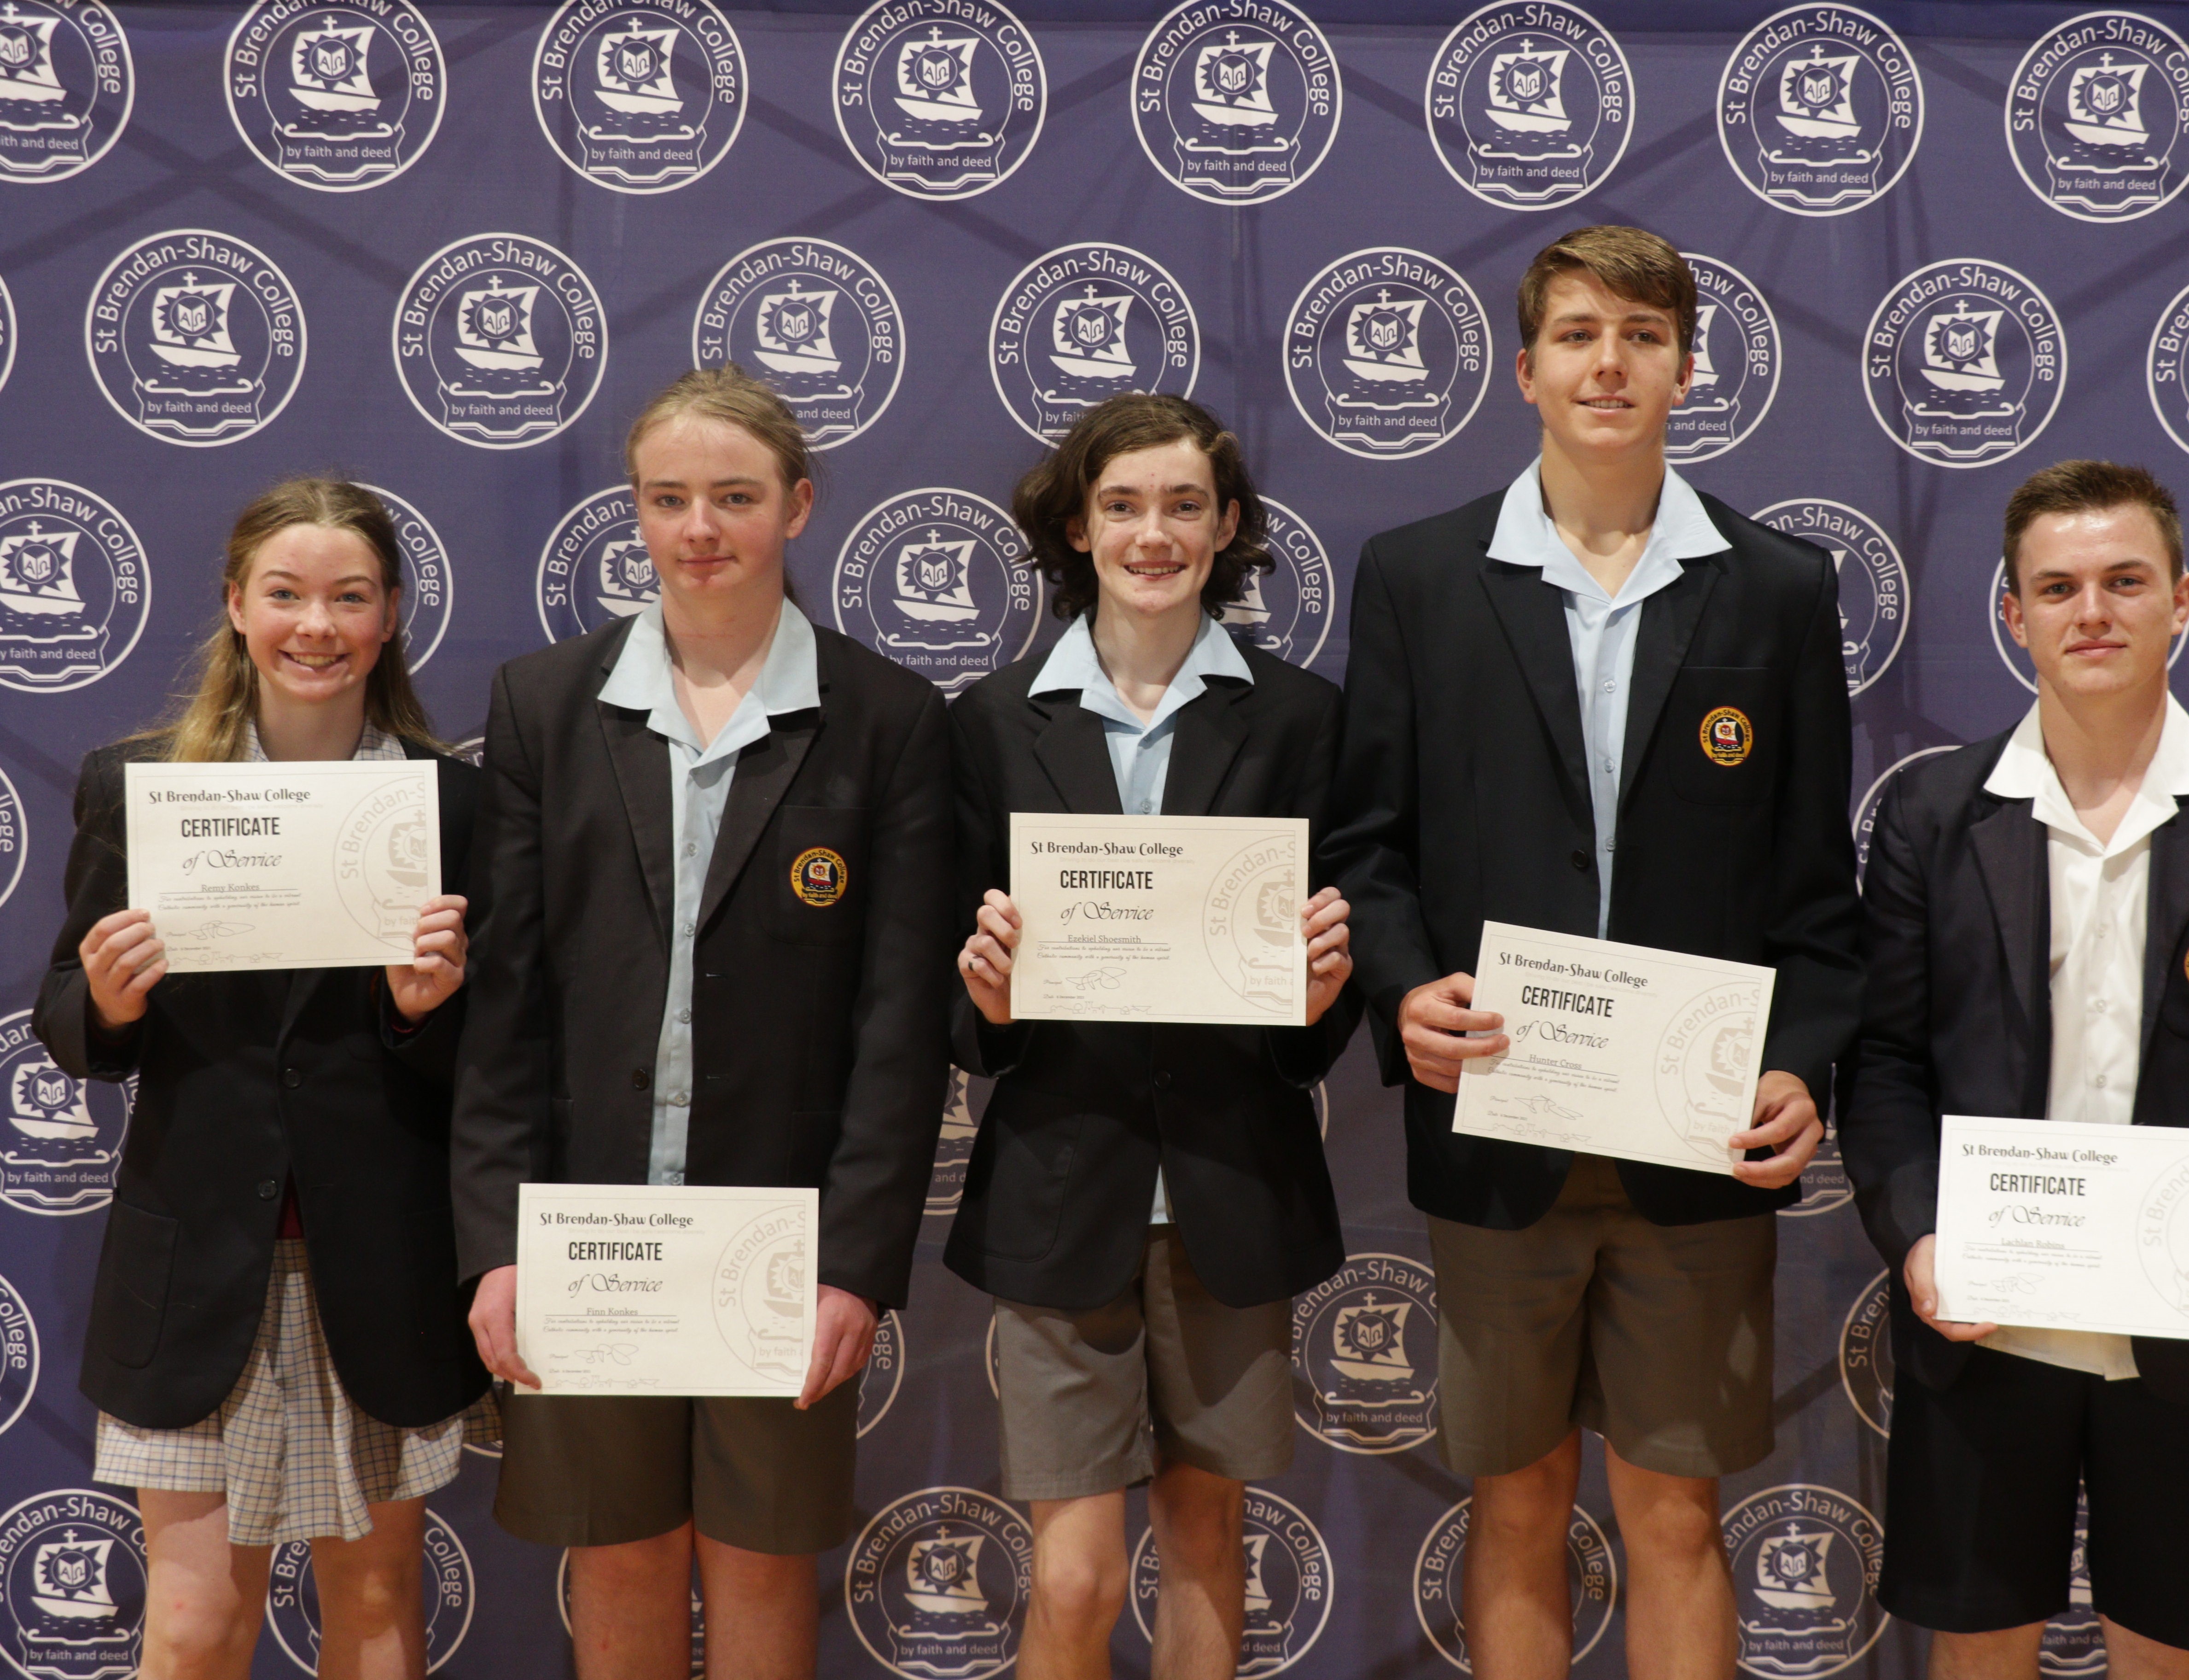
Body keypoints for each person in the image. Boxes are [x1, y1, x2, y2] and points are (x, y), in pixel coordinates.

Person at [1320, 225, 1862, 1680]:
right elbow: (1367, 847)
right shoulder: (1421, 577)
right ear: (1525, 370)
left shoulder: (1777, 587)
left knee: (1676, 1513)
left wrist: (1801, 1065)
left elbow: (1817, 894)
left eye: (1641, 335)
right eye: (1576, 334)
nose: (1608, 364)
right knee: (1516, 1504)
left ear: (1688, 368)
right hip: (1500, 1119)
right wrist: (1404, 987)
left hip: (1698, 1138)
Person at [450, 366, 954, 1680]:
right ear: (635, 510)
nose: (700, 529)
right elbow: (505, 1006)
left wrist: (856, 1263)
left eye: (734, 497)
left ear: (798, 506)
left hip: (778, 1240)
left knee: (760, 1570)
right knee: (619, 1568)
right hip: (588, 1228)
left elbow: (900, 1028)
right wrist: (498, 1244)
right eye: (668, 498)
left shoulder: (889, 719)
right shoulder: (545, 705)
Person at [1840, 460, 2189, 1675]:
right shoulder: (1933, 815)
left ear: (2181, 599)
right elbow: (1882, 1065)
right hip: (1985, 1328)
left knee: (2169, 1663)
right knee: (1976, 1660)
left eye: (2125, 581)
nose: (2092, 611)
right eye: (2058, 587)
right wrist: (1920, 1237)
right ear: (2013, 614)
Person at [35, 478, 485, 1680]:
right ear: (238, 604)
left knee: (377, 1605)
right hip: (196, 1273)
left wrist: (421, 1014)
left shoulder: (452, 804)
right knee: (192, 1626)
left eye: (350, 597)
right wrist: (111, 1000)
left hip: (380, 1267)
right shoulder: (137, 786)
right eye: (286, 594)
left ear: (391, 615)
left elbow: (496, 1063)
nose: (316, 626)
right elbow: (66, 1019)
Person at [947, 392, 1359, 1680]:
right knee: (1072, 1578)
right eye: (1122, 505)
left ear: (1227, 526)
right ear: (1078, 527)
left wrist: (1318, 997)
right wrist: (987, 1002)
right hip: (1061, 1187)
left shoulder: (1301, 720)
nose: (1154, 533)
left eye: (1186, 505)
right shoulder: (990, 721)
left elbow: (1320, 1003)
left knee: (1205, 1543)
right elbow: (946, 991)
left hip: (1233, 1187)